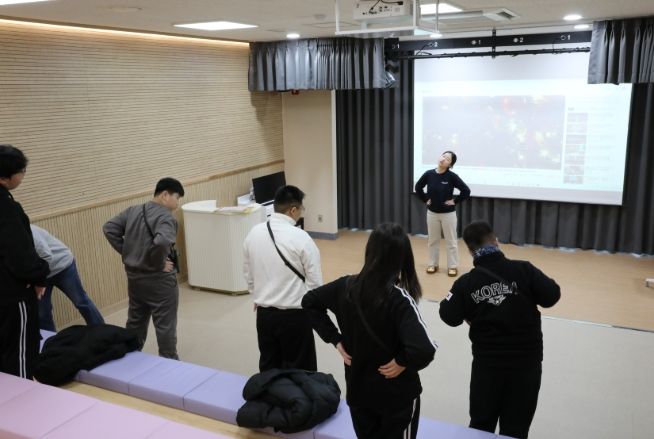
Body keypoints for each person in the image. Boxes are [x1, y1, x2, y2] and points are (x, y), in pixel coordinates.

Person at [302, 223, 436, 439]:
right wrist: (402, 361)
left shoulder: (344, 286)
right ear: (402, 257)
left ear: (370, 250)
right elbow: (424, 349)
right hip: (396, 397)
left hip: (359, 392)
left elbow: (309, 301)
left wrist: (335, 340)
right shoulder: (398, 299)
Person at [439, 220, 561, 439]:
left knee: (481, 426)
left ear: (470, 251)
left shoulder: (466, 283)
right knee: (516, 429)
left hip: (487, 366)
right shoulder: (524, 269)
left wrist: (468, 314)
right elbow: (552, 295)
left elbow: (448, 315)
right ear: (496, 241)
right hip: (527, 365)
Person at [243, 185, 322, 372]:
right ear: (293, 210)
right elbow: (315, 283)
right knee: (300, 370)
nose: (301, 213)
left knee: (270, 367)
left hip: (264, 315)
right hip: (295, 316)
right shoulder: (302, 238)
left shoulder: (254, 233)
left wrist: (259, 296)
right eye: (301, 209)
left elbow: (248, 273)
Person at [103, 177, 184, 359]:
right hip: (159, 282)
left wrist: (131, 254)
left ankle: (130, 358)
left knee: (135, 321)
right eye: (177, 198)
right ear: (165, 195)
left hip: (135, 279)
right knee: (165, 325)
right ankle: (169, 362)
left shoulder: (133, 210)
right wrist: (157, 263)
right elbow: (162, 242)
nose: (177, 203)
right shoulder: (165, 217)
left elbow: (109, 228)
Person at [0, 145, 50, 379]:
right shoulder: (6, 208)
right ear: (4, 178)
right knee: (19, 355)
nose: (23, 176)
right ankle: (23, 399)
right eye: (21, 171)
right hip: (12, 296)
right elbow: (20, 254)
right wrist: (39, 276)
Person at [30, 224, 105, 332]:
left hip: (62, 265)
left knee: (81, 301)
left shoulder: (30, 231)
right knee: (42, 313)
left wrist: (38, 281)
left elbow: (46, 256)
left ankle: (102, 332)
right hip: (42, 274)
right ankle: (51, 340)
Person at [415, 150, 470, 277]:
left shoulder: (452, 176)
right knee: (433, 241)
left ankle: (452, 266)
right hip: (432, 214)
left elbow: (466, 191)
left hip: (448, 215)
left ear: (450, 164)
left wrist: (454, 201)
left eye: (447, 159)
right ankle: (433, 264)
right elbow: (418, 187)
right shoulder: (429, 174)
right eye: (443, 156)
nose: (443, 159)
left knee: (451, 242)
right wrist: (425, 199)